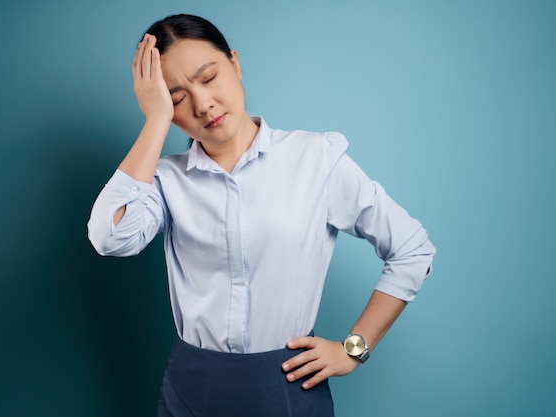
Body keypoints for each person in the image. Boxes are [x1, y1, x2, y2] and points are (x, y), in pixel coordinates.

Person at [87, 13, 436, 417]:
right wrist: (156, 121)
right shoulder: (164, 180)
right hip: (191, 386)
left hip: (286, 385)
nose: (203, 104)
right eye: (177, 98)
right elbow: (109, 238)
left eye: (208, 77)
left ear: (234, 63)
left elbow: (413, 250)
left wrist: (353, 350)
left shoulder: (314, 159)